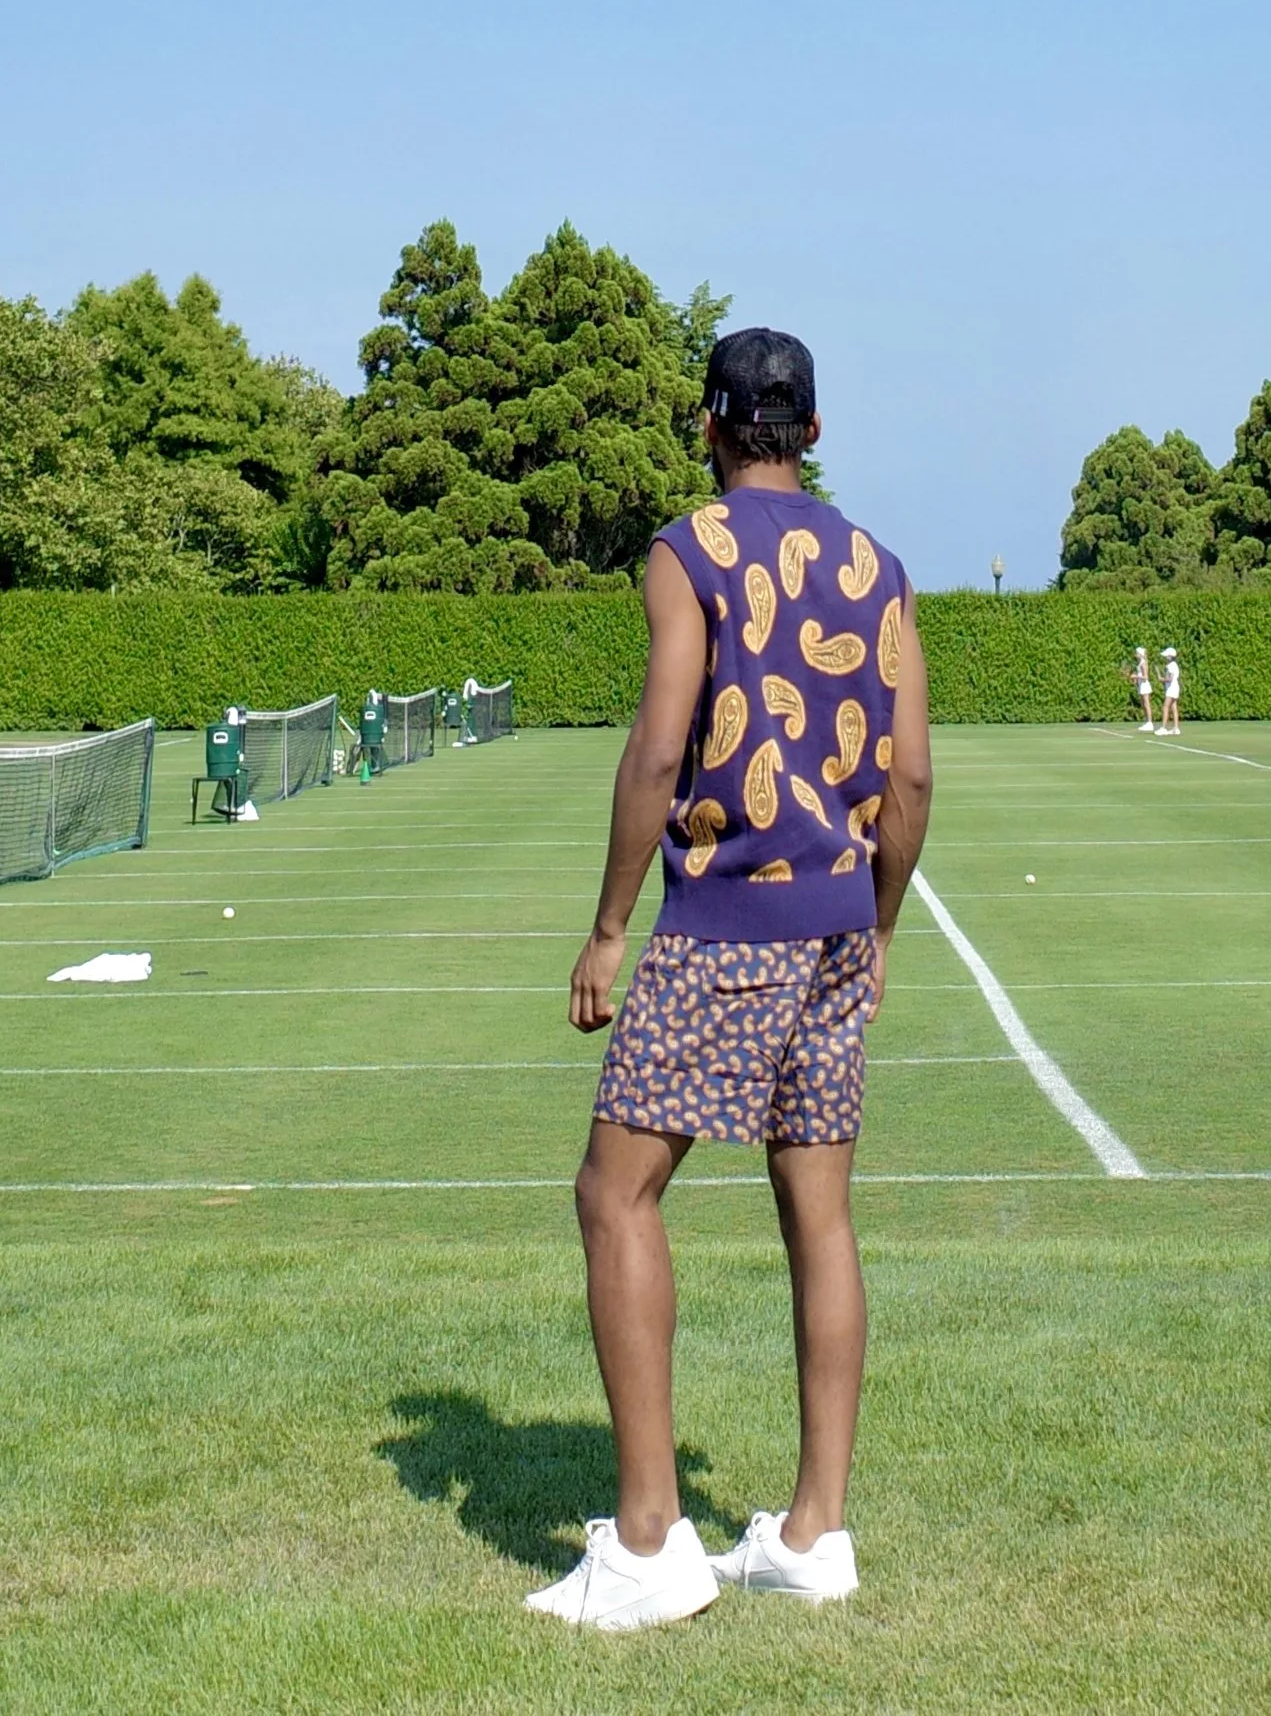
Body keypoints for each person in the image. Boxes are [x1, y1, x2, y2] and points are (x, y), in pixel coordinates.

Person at [530, 326, 933, 1634]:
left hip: (724, 921)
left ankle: (650, 1541)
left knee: (616, 1190)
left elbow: (658, 748)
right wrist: (873, 923)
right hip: (832, 922)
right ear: (811, 430)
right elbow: (912, 778)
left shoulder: (687, 550)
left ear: (707, 424)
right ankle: (815, 1530)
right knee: (820, 1210)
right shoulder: (880, 568)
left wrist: (607, 924)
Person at [1129, 642, 1154, 731]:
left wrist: (1135, 676)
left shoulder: (1143, 663)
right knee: (1143, 705)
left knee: (1147, 704)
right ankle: (1147, 722)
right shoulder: (1140, 663)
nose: (1135, 655)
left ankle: (1150, 723)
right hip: (1141, 685)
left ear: (1140, 654)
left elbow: (1146, 677)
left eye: (1137, 653)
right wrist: (1136, 679)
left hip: (1145, 685)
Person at [1159, 645, 1182, 737]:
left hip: (1172, 688)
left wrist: (1162, 679)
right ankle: (1176, 728)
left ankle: (1163, 728)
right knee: (1174, 707)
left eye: (1167, 656)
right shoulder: (1173, 665)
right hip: (1174, 687)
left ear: (1170, 656)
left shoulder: (1171, 665)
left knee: (1165, 707)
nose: (1165, 657)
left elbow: (1170, 678)